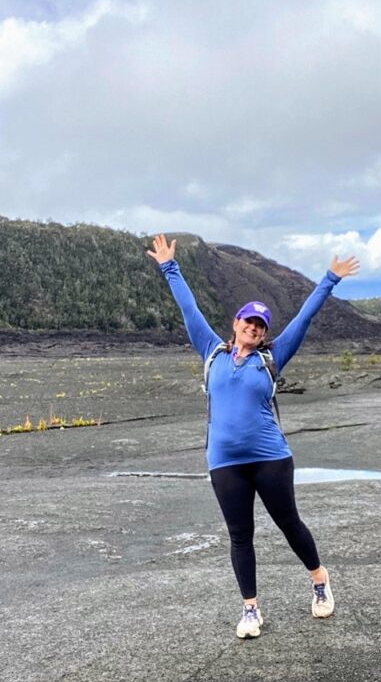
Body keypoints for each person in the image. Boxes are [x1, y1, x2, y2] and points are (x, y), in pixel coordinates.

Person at [147, 233, 360, 639]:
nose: (255, 328)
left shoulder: (272, 358)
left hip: (269, 458)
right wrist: (169, 267)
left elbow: (304, 318)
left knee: (288, 523)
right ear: (236, 324)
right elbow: (188, 308)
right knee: (240, 536)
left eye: (261, 325)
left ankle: (319, 580)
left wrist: (329, 279)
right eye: (249, 321)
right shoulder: (211, 351)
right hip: (224, 461)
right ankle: (250, 610)